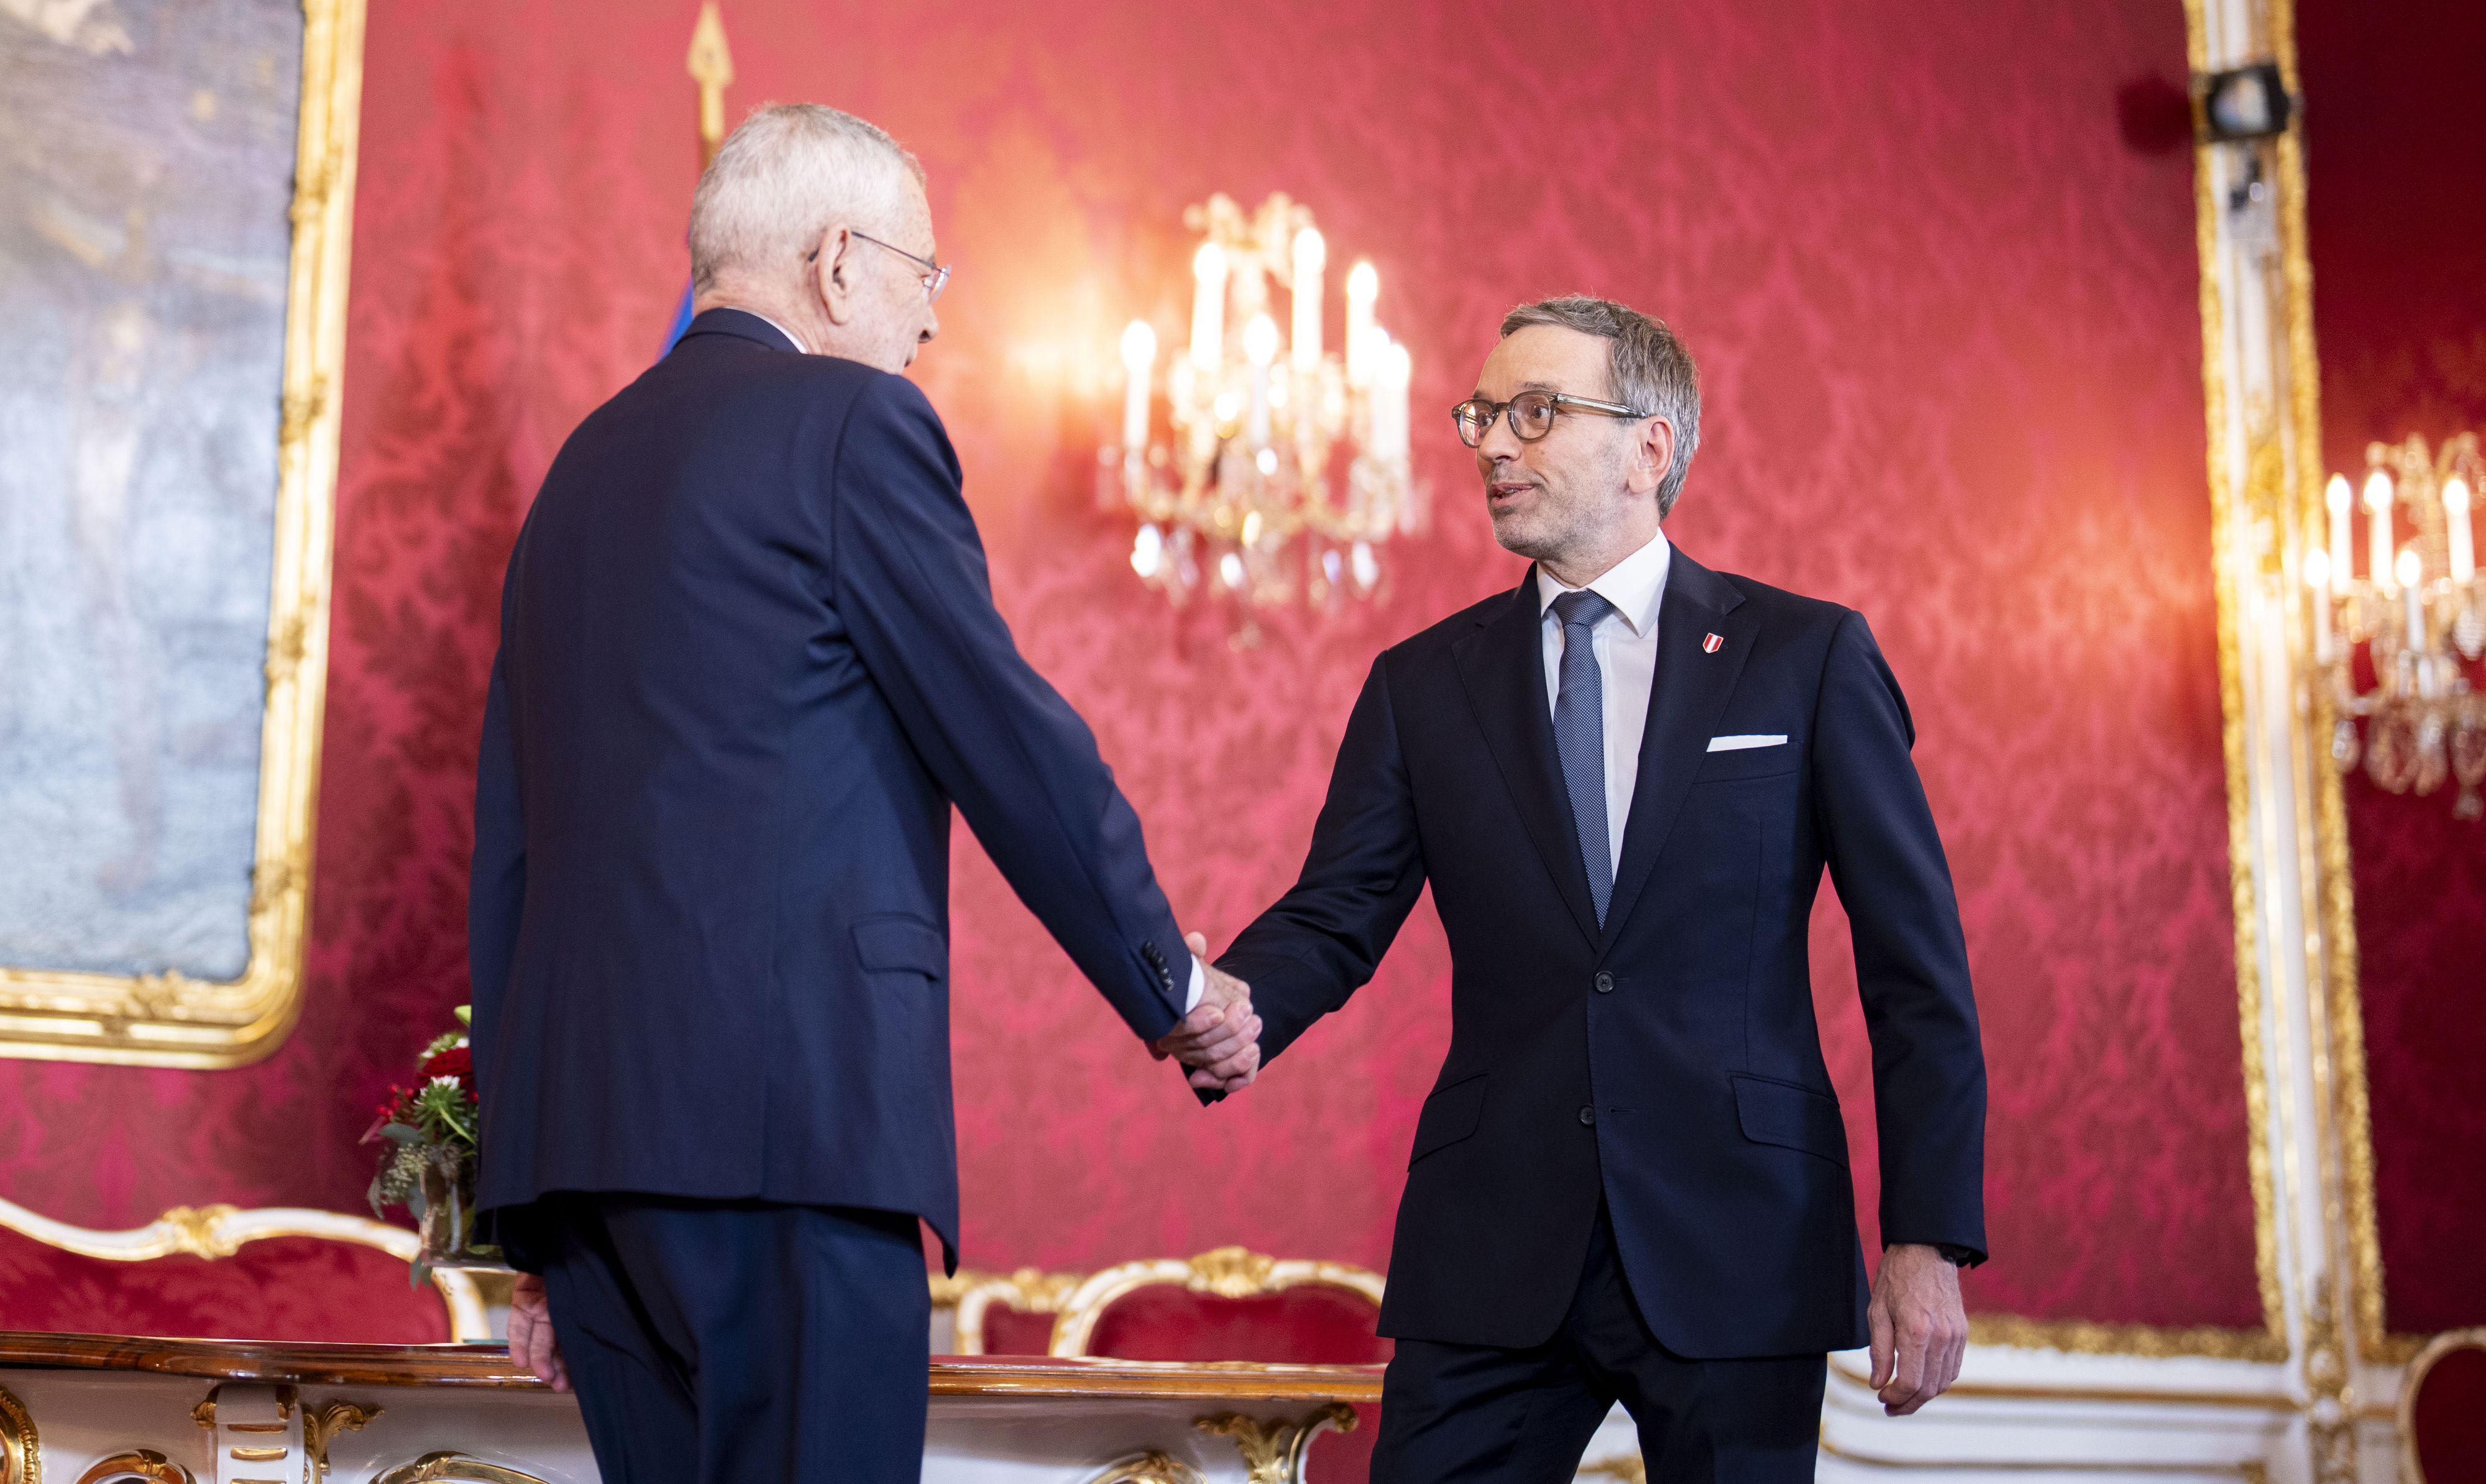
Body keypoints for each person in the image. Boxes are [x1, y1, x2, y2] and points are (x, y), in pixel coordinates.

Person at [464, 103, 1262, 1483]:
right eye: (922, 273)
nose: (932, 319)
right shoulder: (854, 423)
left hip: (582, 1165)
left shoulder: (581, 466)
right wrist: (1174, 986)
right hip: (789, 1136)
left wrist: (525, 1215)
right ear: (839, 262)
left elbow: (511, 843)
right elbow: (1008, 740)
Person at [1176, 296, 1988, 1483]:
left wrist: (1928, 1237)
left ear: (1648, 448)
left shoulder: (1806, 657)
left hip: (1741, 1238)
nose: (1493, 445)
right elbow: (1335, 912)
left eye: (1537, 413)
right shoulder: (1423, 682)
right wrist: (1239, 1002)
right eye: (1483, 416)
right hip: (1493, 1236)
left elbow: (1916, 968)